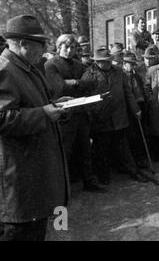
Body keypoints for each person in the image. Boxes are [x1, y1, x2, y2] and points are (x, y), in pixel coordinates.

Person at [0, 15, 69, 241]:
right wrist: (43, 113)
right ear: (24, 44)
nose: (45, 49)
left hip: (33, 173)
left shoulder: (26, 67)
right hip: (19, 180)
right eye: (41, 44)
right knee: (20, 233)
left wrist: (56, 105)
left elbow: (33, 103)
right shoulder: (5, 70)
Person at [44, 34, 105, 192]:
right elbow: (60, 88)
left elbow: (90, 83)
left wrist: (74, 83)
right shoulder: (51, 65)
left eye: (72, 48)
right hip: (64, 114)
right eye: (66, 47)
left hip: (81, 112)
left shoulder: (78, 65)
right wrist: (77, 83)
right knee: (65, 152)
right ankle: (61, 188)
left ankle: (89, 181)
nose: (70, 50)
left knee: (85, 149)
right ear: (59, 47)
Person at [81, 46, 145, 183]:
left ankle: (133, 171)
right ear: (98, 62)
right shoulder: (88, 75)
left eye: (110, 60)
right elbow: (85, 99)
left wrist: (135, 109)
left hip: (118, 116)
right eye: (105, 61)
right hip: (101, 119)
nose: (109, 63)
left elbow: (128, 92)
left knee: (124, 147)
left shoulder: (119, 72)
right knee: (102, 150)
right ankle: (103, 177)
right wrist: (92, 116)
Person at [122, 51, 150, 169]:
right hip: (128, 110)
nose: (133, 66)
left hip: (140, 107)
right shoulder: (122, 76)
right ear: (124, 64)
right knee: (131, 136)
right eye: (131, 64)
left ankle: (141, 159)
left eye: (134, 64)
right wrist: (135, 109)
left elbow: (141, 92)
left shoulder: (136, 76)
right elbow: (127, 95)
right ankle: (132, 161)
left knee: (140, 134)